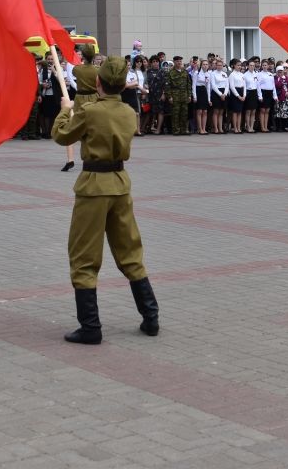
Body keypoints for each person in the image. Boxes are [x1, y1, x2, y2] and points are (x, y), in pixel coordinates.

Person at [51, 56, 159, 345]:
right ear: (124, 84)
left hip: (93, 187)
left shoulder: (90, 111)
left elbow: (62, 136)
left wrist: (65, 111)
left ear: (98, 82)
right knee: (130, 251)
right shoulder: (127, 112)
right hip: (120, 185)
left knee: (84, 256)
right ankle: (151, 318)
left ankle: (90, 326)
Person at [61, 44, 100, 172]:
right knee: (93, 129)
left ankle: (70, 159)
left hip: (80, 99)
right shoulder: (97, 70)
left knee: (72, 128)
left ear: (83, 56)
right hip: (94, 98)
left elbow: (73, 70)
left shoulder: (78, 69)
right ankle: (94, 157)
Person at [166, 56, 192, 135]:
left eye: (180, 61)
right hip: (175, 95)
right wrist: (169, 96)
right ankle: (176, 130)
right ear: (174, 62)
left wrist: (189, 95)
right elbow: (167, 86)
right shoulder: (170, 72)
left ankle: (184, 130)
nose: (179, 62)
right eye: (177, 61)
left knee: (184, 113)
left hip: (184, 95)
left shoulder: (185, 71)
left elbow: (188, 84)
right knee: (175, 114)